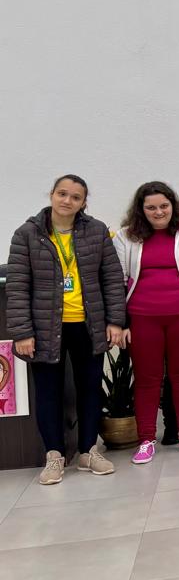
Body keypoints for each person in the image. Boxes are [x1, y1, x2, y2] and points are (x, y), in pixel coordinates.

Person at [6, 175, 125, 485]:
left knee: (90, 389)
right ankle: (54, 455)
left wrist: (115, 321)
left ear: (83, 203)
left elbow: (112, 279)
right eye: (62, 194)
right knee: (48, 392)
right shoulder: (27, 234)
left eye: (75, 197)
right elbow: (17, 287)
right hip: (45, 328)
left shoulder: (96, 231)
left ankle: (88, 451)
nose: (67, 201)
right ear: (52, 194)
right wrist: (22, 332)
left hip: (89, 325)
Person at [113, 181, 179, 464]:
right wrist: (122, 323)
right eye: (151, 207)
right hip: (142, 319)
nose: (158, 212)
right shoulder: (126, 236)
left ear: (174, 206)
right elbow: (117, 281)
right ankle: (146, 439)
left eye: (163, 206)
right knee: (147, 380)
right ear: (141, 209)